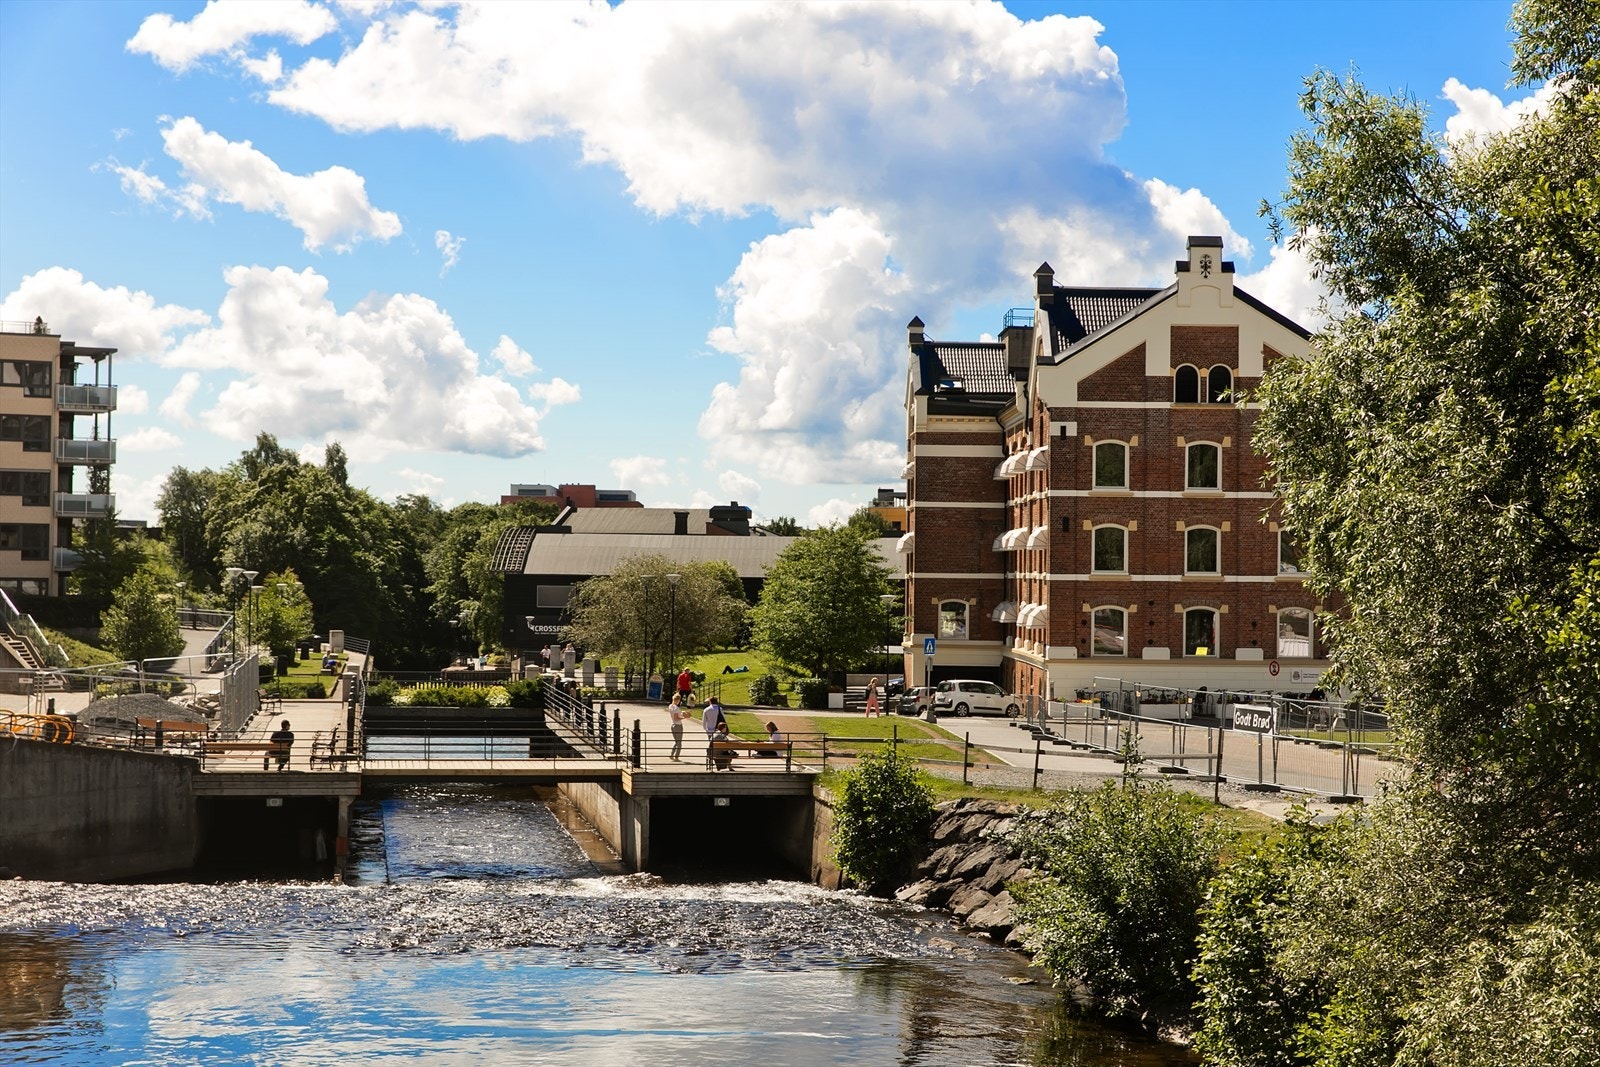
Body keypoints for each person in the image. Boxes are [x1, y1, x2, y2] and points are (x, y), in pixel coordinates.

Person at [667, 696, 688, 761]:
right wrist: (684, 717)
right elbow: (676, 718)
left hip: (673, 725)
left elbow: (675, 715)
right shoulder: (676, 708)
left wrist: (681, 713)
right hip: (678, 725)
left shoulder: (671, 706)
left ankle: (672, 754)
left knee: (676, 741)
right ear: (678, 700)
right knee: (679, 742)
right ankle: (676, 756)